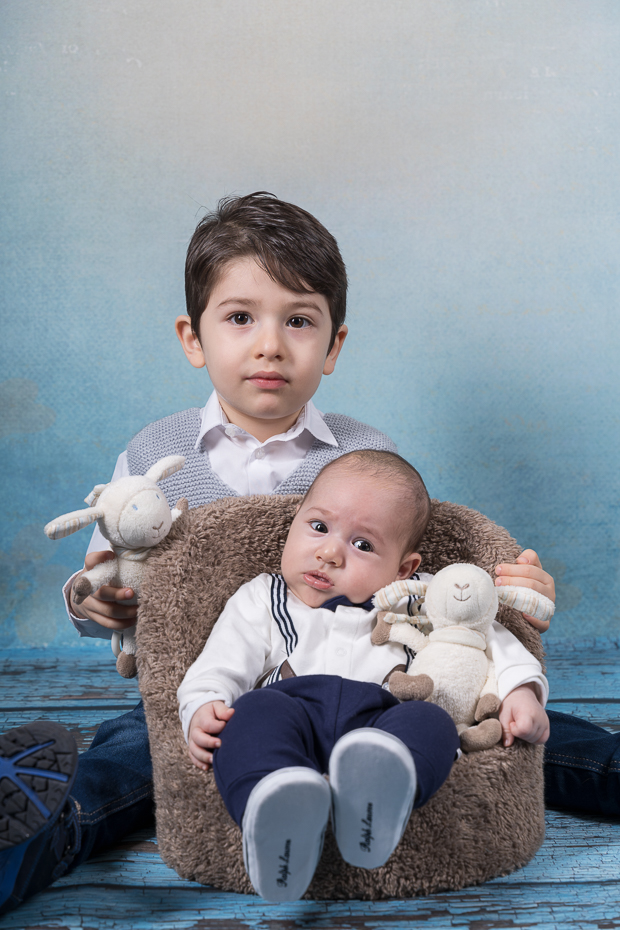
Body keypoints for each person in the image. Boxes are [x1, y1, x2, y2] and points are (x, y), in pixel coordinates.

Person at [0, 193, 556, 915]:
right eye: (240, 318)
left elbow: (432, 569)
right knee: (131, 754)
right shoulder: (156, 456)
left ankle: (421, 779)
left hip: (377, 682)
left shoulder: (367, 452)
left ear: (332, 346)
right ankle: (52, 836)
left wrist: (515, 587)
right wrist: (93, 598)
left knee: (516, 731)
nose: (270, 345)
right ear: (193, 338)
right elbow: (104, 570)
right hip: (218, 692)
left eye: (298, 321)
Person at [179, 450, 550, 902]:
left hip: (382, 720)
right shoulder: (262, 598)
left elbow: (487, 636)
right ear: (294, 521)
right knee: (250, 716)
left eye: (363, 545)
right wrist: (202, 708)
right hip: (290, 713)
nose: (329, 553)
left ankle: (378, 798)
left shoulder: (420, 598)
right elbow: (217, 666)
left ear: (403, 569)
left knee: (431, 723)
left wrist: (521, 691)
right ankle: (274, 806)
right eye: (318, 527)